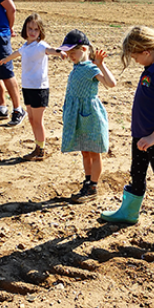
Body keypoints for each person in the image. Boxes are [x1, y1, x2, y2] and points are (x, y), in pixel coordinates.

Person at [101, 26, 154, 255]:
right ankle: (129, 213)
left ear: (146, 51)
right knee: (136, 174)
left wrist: (153, 137)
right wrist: (142, 135)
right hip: (141, 135)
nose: (134, 60)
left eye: (134, 55)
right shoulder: (150, 66)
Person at [58, 30, 116, 202]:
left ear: (83, 49)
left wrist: (101, 64)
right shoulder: (77, 67)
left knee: (94, 152)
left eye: (72, 52)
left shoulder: (91, 67)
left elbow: (111, 84)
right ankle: (88, 181)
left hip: (90, 115)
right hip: (78, 114)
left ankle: (93, 187)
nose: (70, 56)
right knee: (85, 151)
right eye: (68, 53)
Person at [0, 13, 57, 160]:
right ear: (25, 29)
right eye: (29, 28)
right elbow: (17, 53)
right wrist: (6, 59)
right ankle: (37, 147)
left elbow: (51, 50)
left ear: (40, 32)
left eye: (36, 29)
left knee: (38, 121)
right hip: (27, 87)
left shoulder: (41, 45)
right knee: (31, 119)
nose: (32, 32)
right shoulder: (26, 46)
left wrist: (60, 52)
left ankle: (40, 150)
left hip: (39, 88)